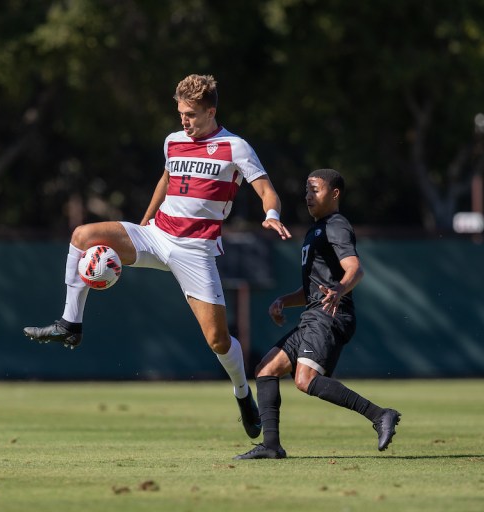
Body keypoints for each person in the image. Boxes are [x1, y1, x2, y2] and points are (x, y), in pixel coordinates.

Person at [23, 74, 292, 439]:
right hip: (156, 234)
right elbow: (166, 180)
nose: (184, 120)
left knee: (217, 340)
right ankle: (70, 324)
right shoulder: (173, 141)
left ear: (211, 111)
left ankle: (242, 393)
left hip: (195, 250)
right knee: (82, 236)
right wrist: (145, 221)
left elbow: (267, 191)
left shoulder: (235, 147)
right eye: (181, 112)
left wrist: (271, 215)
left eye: (192, 114)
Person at [234, 168, 401, 460]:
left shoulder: (336, 225)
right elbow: (315, 289)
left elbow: (355, 269)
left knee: (305, 379)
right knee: (265, 369)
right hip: (315, 314)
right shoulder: (316, 229)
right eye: (307, 190)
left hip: (330, 315)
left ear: (334, 194)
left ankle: (380, 415)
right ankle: (271, 446)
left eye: (316, 190)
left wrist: (339, 290)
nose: (309, 196)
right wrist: (285, 300)